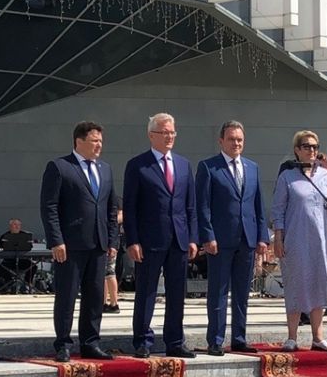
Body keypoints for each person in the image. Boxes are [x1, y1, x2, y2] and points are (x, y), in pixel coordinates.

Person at [39, 121, 119, 361]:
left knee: (95, 296)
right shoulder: (60, 167)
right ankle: (63, 343)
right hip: (70, 245)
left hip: (99, 244)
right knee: (67, 295)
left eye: (101, 141)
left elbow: (111, 208)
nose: (99, 145)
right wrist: (56, 240)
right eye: (94, 141)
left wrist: (112, 241)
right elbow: (49, 206)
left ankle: (90, 342)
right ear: (79, 141)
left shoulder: (105, 169)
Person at [124, 113, 198, 358]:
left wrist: (192, 238)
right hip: (149, 240)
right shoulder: (138, 165)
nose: (169, 137)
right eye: (164, 132)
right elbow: (130, 207)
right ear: (151, 135)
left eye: (172, 132)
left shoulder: (183, 165)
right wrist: (132, 240)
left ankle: (175, 341)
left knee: (177, 293)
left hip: (178, 239)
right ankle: (143, 341)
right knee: (146, 291)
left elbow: (190, 206)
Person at [196, 120, 268, 356]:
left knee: (242, 293)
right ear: (221, 141)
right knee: (218, 292)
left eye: (239, 139)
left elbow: (258, 205)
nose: (236, 143)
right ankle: (215, 340)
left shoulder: (252, 167)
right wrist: (207, 235)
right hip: (220, 241)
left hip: (247, 239)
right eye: (231, 139)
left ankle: (239, 338)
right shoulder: (209, 167)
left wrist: (262, 237)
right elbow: (203, 206)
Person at [271, 130, 327, 351]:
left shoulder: (325, 176)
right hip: (296, 238)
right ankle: (292, 336)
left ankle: (317, 337)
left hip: (321, 240)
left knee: (319, 284)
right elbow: (278, 210)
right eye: (307, 146)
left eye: (315, 146)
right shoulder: (287, 176)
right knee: (296, 284)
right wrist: (278, 238)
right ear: (297, 150)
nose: (312, 150)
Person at [0, 217, 36, 293]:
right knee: (1, 269)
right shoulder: (4, 236)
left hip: (22, 260)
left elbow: (29, 247)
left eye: (19, 225)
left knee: (33, 266)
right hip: (9, 261)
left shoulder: (25, 235)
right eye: (15, 224)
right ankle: (10, 284)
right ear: (10, 226)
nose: (17, 226)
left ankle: (27, 284)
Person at [103, 208, 122, 313]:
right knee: (103, 274)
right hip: (103, 239)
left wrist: (104, 220)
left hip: (110, 241)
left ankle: (114, 303)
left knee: (110, 272)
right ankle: (103, 302)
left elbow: (121, 216)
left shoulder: (115, 201)